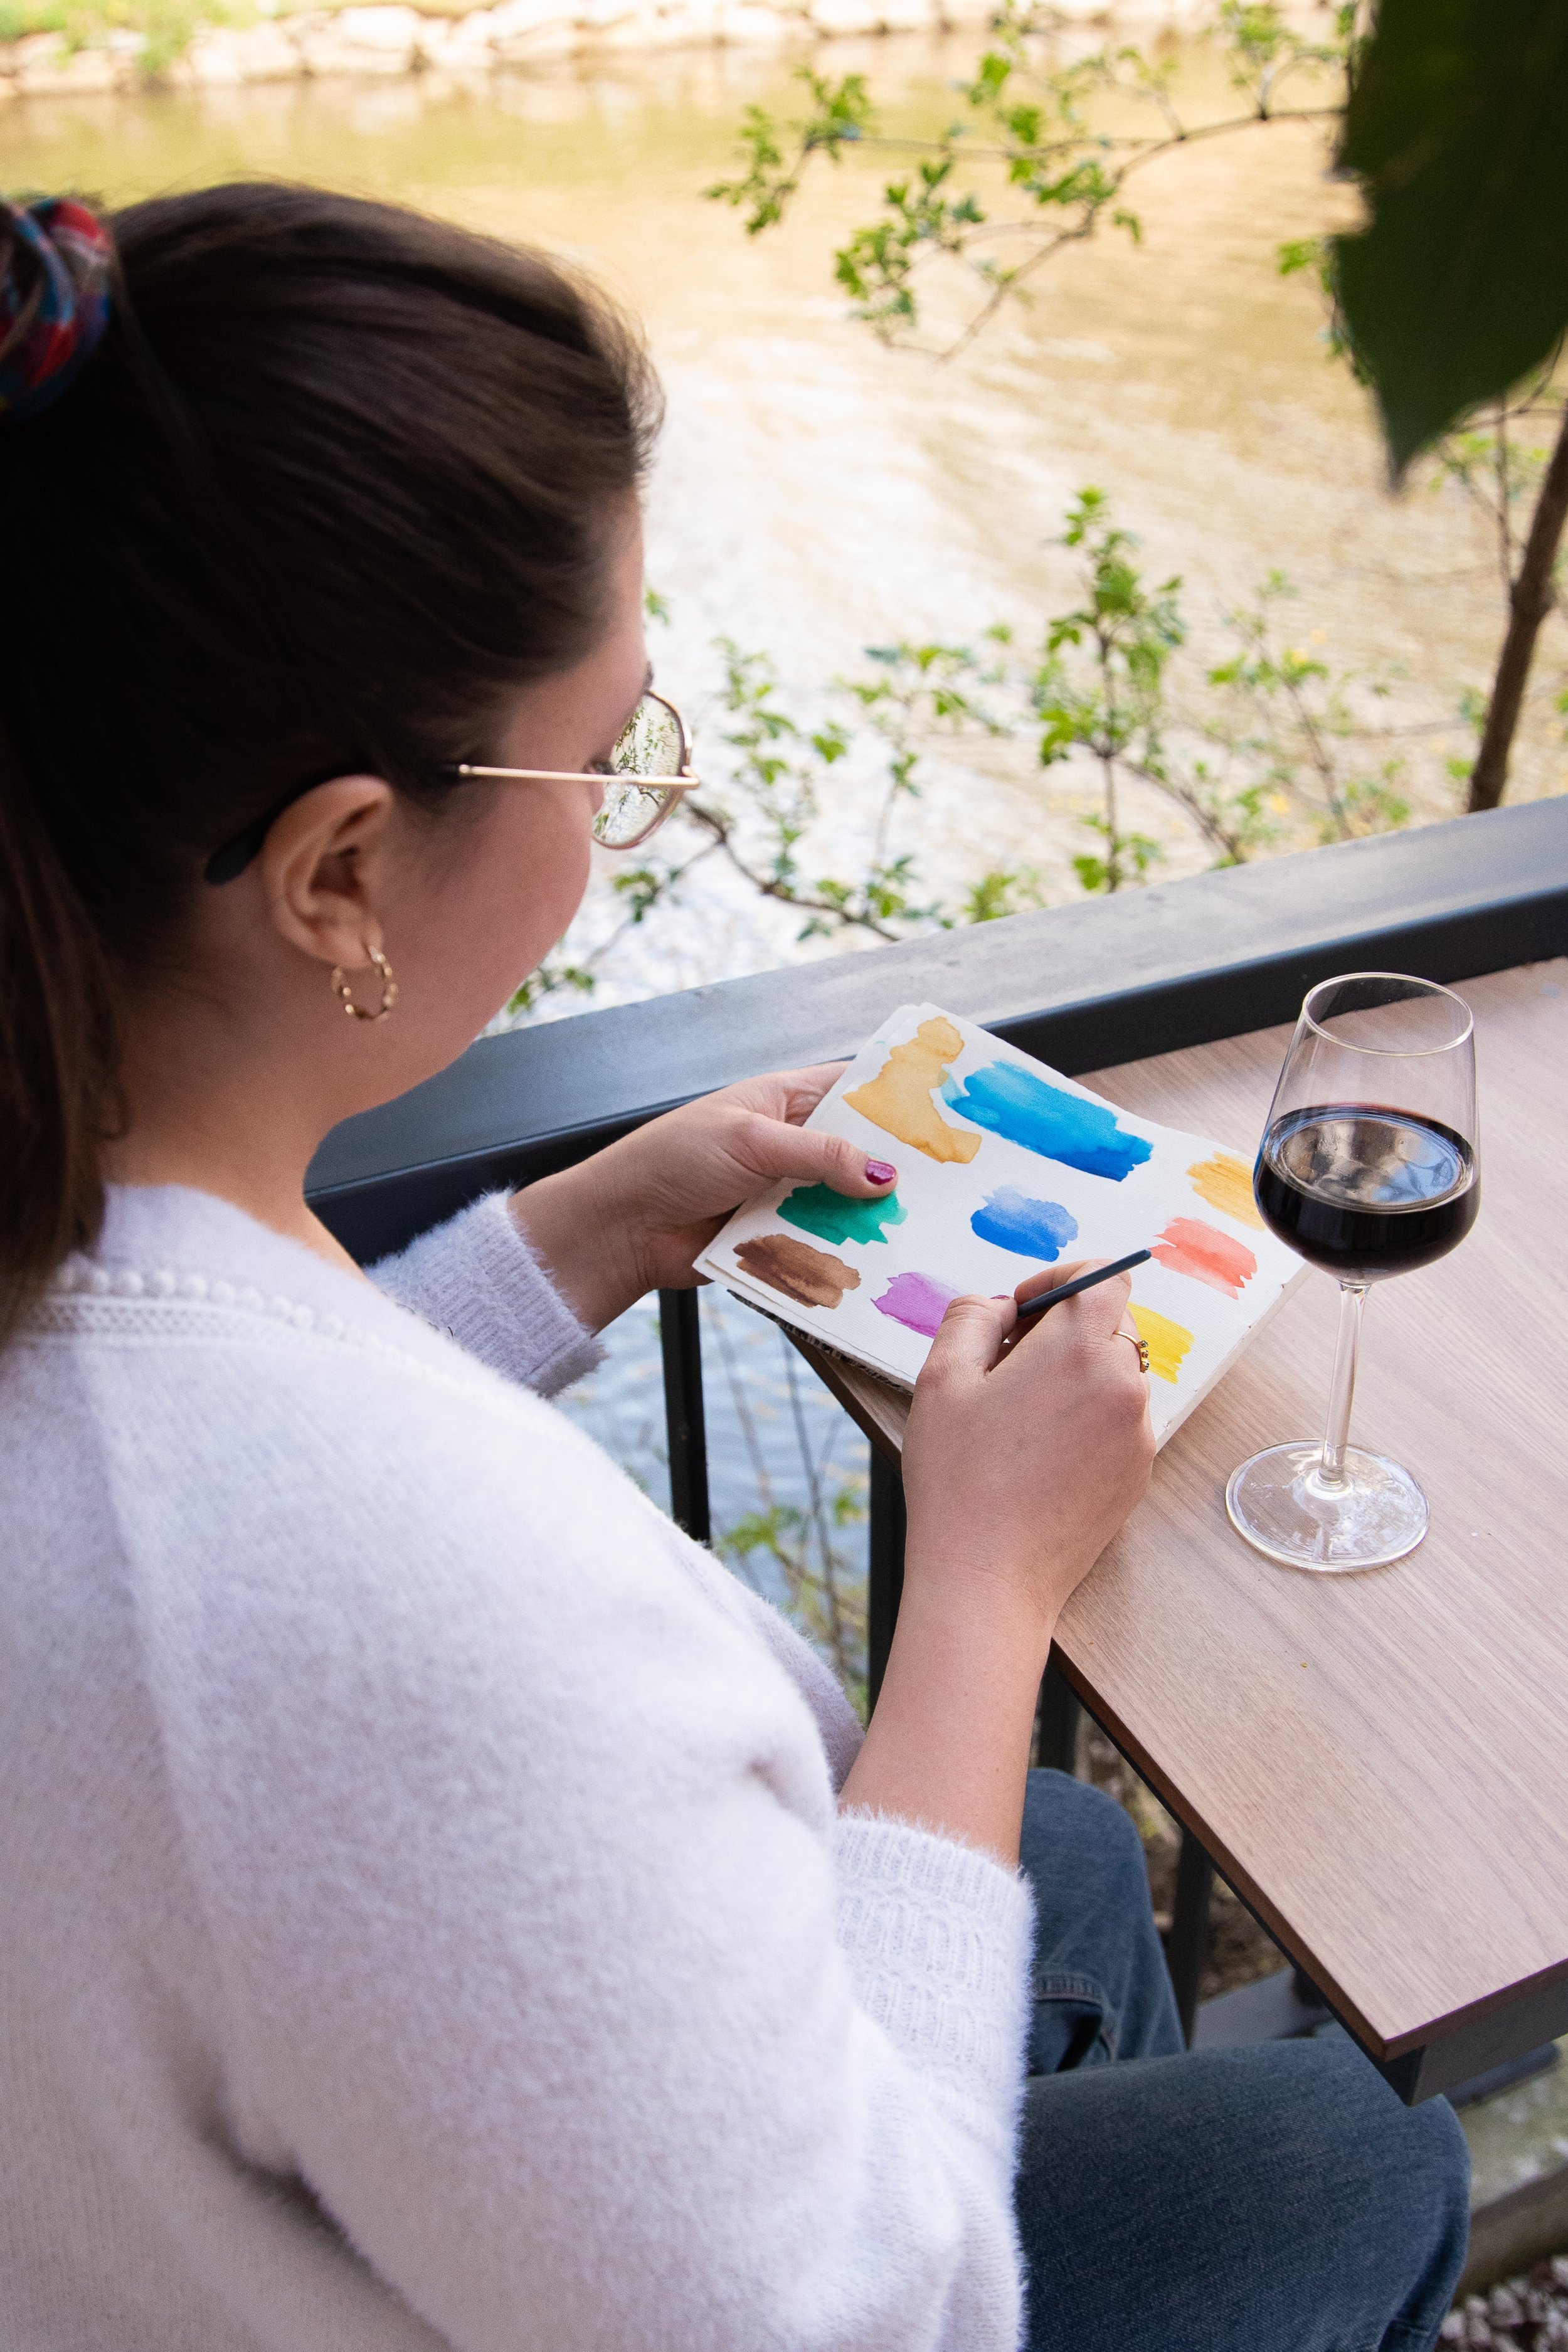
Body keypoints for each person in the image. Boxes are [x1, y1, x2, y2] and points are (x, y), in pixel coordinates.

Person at [0, 184, 1468, 2352]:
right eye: (597, 759)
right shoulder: (418, 1604)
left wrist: (586, 1226)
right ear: (334, 872)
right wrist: (986, 1581)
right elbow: (864, 2314)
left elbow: (202, 1469)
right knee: (1351, 2156)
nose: (611, 821)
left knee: (1056, 1867)